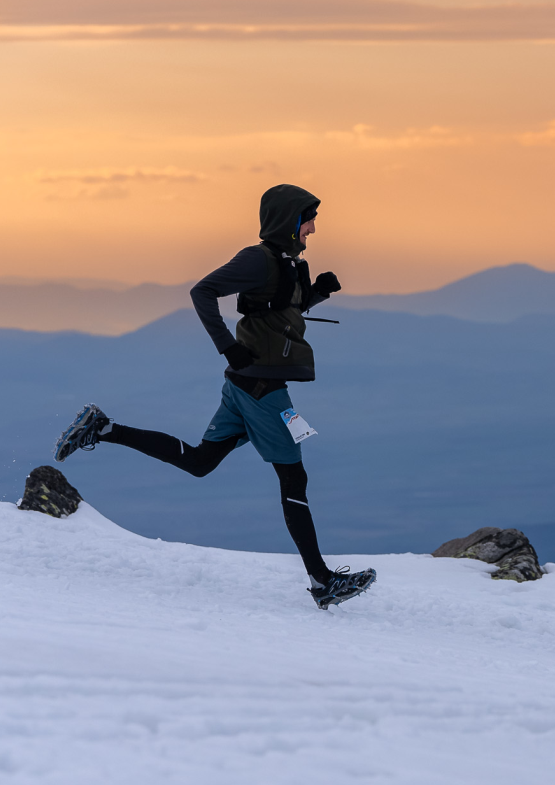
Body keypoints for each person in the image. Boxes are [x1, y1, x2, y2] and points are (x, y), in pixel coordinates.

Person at [52, 184, 376, 610]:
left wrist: (318, 292)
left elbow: (276, 309)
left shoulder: (285, 263)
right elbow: (202, 291)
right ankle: (321, 581)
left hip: (245, 383)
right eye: (308, 219)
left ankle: (102, 427)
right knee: (293, 479)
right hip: (260, 388)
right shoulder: (256, 259)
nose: (313, 228)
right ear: (288, 221)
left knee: (200, 462)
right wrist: (227, 344)